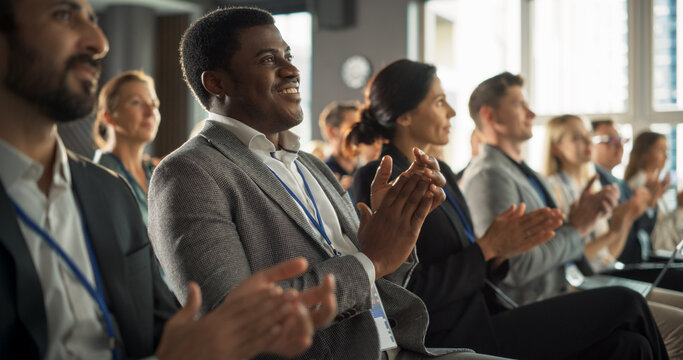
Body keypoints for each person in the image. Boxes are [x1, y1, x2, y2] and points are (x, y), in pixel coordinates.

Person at [147, 6, 511, 360]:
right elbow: (235, 324)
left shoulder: (309, 164)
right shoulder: (189, 173)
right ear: (217, 82)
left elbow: (379, 282)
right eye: (267, 60)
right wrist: (372, 259)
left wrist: (398, 231)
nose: (291, 69)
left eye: (287, 56)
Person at [0, 0, 337, 358]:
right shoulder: (184, 173)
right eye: (64, 15)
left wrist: (244, 331)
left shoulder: (106, 192)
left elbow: (163, 333)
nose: (99, 42)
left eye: (93, 20)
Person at [349, 59, 669, 359]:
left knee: (631, 346)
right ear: (404, 116)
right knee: (628, 303)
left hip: (486, 311)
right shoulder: (381, 177)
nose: (452, 113)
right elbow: (404, 290)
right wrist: (487, 248)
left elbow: (472, 261)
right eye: (438, 102)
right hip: (449, 332)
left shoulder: (440, 169)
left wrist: (500, 250)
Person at [460, 72, 621, 305]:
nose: (531, 113)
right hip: (531, 310)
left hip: (560, 293)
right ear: (490, 116)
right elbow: (516, 268)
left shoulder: (528, 173)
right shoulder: (489, 176)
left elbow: (552, 242)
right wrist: (576, 229)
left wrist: (578, 220)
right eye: (519, 105)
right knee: (634, 307)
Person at [543, 115, 683, 358]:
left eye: (588, 136)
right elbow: (577, 261)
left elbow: (609, 254)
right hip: (585, 281)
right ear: (556, 147)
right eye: (577, 138)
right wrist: (623, 221)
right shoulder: (553, 189)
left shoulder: (593, 185)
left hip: (604, 272)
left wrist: (624, 221)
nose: (587, 142)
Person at [91, 70, 160, 225]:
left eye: (154, 104)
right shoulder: (98, 177)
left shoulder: (155, 172)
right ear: (108, 116)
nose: (151, 113)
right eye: (136, 102)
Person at [624, 132, 683, 253]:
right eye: (661, 150)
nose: (666, 156)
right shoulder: (638, 183)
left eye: (666, 151)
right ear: (645, 153)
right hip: (654, 252)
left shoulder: (657, 183)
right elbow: (649, 226)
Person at [319, 101, 361, 189]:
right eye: (352, 127)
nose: (360, 133)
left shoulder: (368, 174)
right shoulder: (320, 177)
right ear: (331, 132)